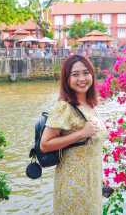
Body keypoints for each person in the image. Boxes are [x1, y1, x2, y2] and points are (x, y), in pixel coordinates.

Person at [40, 54, 107, 215]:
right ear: (67, 79)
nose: (82, 78)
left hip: (92, 180)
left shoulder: (89, 105)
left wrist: (100, 173)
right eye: (75, 74)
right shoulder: (64, 107)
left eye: (85, 73)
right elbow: (45, 144)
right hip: (73, 184)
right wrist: (81, 133)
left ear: (92, 74)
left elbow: (92, 146)